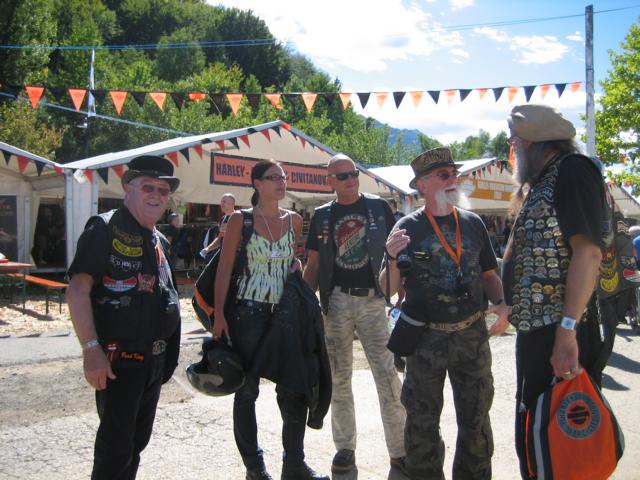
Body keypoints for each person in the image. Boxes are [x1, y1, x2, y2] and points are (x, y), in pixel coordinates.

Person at [380, 147, 509, 480]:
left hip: (471, 336)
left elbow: (489, 275)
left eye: (454, 174)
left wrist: (502, 304)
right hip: (425, 339)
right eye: (444, 175)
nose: (453, 180)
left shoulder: (473, 223)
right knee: (421, 423)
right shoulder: (406, 227)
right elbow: (387, 289)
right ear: (422, 185)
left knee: (476, 421)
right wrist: (392, 259)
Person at [501, 104, 606, 479]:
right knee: (536, 438)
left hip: (561, 331)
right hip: (537, 332)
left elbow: (588, 254)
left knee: (563, 445)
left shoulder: (573, 171)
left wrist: (566, 332)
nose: (512, 148)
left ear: (532, 142)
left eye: (514, 141)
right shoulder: (542, 181)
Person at [66, 155, 182, 479]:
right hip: (119, 362)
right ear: (127, 187)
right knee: (115, 451)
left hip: (153, 362)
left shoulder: (158, 239)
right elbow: (78, 290)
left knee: (135, 445)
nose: (156, 195)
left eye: (163, 189)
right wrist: (91, 350)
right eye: (148, 187)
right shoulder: (104, 228)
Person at [213, 160, 328, 480]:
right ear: (257, 184)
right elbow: (224, 268)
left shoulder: (294, 220)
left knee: (294, 388)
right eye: (273, 177)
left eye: (283, 177)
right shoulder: (241, 220)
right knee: (246, 391)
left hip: (285, 314)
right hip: (247, 313)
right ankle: (255, 468)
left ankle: (294, 465)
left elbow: (291, 260)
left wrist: (295, 270)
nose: (281, 182)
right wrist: (219, 315)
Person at [302, 153, 407, 476]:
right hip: (335, 302)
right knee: (338, 377)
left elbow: (397, 253)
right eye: (342, 176)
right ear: (330, 181)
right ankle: (345, 448)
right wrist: (303, 305)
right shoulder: (322, 215)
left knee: (387, 375)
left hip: (373, 300)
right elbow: (313, 264)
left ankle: (400, 450)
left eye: (354, 173)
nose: (350, 180)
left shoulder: (378, 207)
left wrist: (403, 291)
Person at [200, 192, 236, 259]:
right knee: (209, 265)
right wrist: (207, 249)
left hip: (234, 255)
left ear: (232, 203)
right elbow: (220, 239)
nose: (222, 204)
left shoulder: (238, 218)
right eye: (221, 201)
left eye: (224, 201)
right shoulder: (223, 219)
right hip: (223, 252)